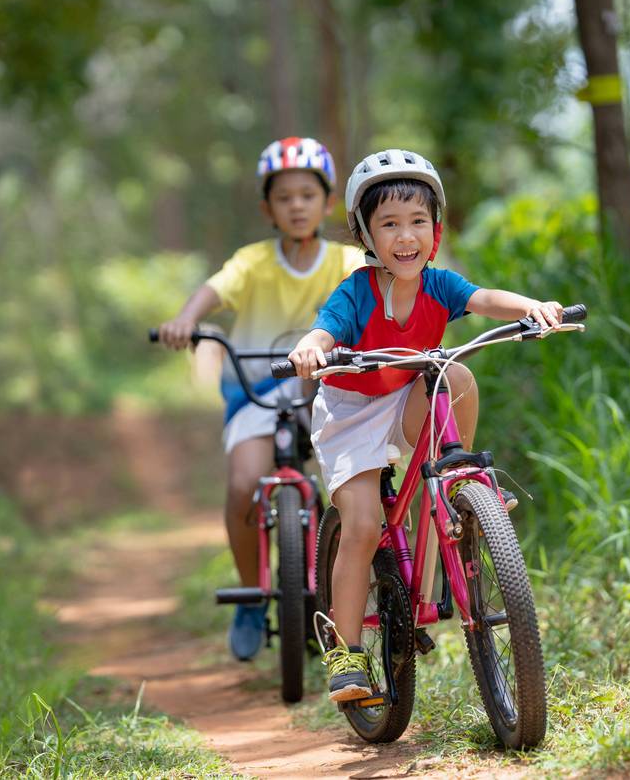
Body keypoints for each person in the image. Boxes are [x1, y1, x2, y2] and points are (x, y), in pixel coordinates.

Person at [286, 149, 564, 702]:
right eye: (389, 224)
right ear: (367, 234)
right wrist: (310, 348)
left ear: (434, 228)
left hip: (409, 396)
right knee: (363, 526)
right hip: (350, 410)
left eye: (417, 221)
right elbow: (324, 330)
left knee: (452, 374)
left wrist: (531, 307)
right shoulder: (357, 292)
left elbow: (482, 298)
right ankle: (346, 652)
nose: (405, 235)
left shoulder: (439, 285)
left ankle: (457, 484)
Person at [157, 136, 365, 661]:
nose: (296, 205)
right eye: (284, 197)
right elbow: (213, 290)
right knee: (244, 483)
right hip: (256, 389)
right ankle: (253, 596)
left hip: (329, 389)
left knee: (354, 485)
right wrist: (187, 318)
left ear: (326, 203)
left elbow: (374, 294)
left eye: (307, 195)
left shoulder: (346, 261)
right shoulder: (252, 261)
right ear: (266, 208)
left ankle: (354, 591)